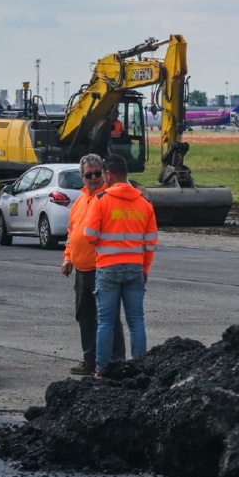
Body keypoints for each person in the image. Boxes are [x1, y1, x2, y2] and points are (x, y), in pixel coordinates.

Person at [82, 153, 158, 379]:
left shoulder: (101, 200)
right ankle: (140, 368)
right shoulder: (144, 203)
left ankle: (102, 370)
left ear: (109, 174)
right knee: (136, 321)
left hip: (108, 268)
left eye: (102, 174)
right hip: (135, 269)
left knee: (105, 321)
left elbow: (89, 235)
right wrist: (145, 269)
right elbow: (151, 241)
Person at [60, 154, 123, 375]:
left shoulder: (107, 198)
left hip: (103, 268)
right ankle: (90, 360)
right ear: (82, 177)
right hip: (81, 269)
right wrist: (68, 257)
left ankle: (116, 362)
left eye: (98, 173)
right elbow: (72, 232)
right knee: (84, 316)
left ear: (104, 173)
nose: (94, 178)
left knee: (108, 318)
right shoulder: (79, 201)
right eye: (89, 175)